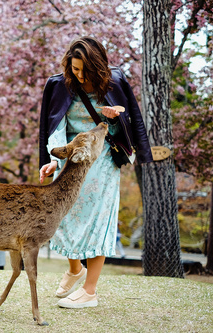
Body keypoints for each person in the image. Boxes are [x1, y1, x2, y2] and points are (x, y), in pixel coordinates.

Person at [39, 36, 153, 308]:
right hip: (70, 158)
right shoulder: (59, 84)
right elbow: (55, 126)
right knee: (64, 218)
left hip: (102, 160)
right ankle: (75, 269)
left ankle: (90, 291)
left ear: (98, 66)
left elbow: (128, 123)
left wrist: (115, 118)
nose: (79, 75)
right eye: (74, 68)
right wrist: (54, 159)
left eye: (84, 70)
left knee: (98, 222)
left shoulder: (114, 82)